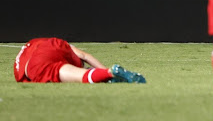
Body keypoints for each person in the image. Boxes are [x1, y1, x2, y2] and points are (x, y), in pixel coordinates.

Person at [14, 37, 145, 84]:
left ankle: (110, 72)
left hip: (36, 61)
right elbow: (84, 56)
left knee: (81, 75)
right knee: (81, 72)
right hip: (52, 44)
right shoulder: (51, 46)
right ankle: (107, 72)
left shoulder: (26, 64)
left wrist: (105, 70)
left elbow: (84, 57)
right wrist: (102, 67)